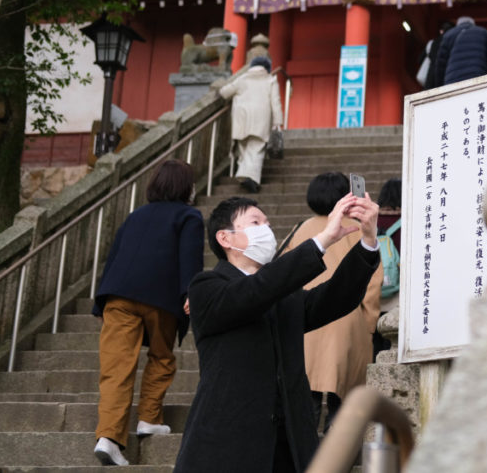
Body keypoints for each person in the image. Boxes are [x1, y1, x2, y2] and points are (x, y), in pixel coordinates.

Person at [174, 193, 380, 473]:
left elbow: (335, 298)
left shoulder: (283, 296)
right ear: (226, 238)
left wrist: (368, 242)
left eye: (268, 223)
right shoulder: (206, 287)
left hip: (288, 447)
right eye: (255, 222)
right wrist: (323, 240)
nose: (266, 229)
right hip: (228, 445)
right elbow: (254, 292)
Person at [92, 159, 205, 467]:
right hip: (161, 299)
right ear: (186, 187)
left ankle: (108, 437)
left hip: (118, 295)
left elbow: (114, 256)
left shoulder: (135, 216)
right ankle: (149, 418)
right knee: (161, 357)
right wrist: (189, 294)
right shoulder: (189, 216)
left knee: (116, 367)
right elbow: (190, 258)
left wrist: (99, 303)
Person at [281, 173, 383, 433]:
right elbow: (372, 282)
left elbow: (282, 274)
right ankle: (337, 454)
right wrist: (369, 324)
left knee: (308, 393)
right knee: (343, 397)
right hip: (347, 318)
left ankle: (306, 454)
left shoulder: (301, 228)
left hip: (307, 321)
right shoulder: (358, 228)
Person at [219, 55, 283, 193]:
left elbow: (224, 93)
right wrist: (278, 122)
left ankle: (244, 176)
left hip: (241, 120)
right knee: (256, 150)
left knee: (243, 149)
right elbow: (275, 103)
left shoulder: (242, 79)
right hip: (261, 120)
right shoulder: (270, 80)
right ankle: (251, 178)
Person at [373, 177, 402, 358]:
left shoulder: (370, 220)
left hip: (372, 292)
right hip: (396, 293)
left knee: (374, 339)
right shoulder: (407, 222)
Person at [433, 16, 487, 86]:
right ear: (473, 23)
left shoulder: (448, 35)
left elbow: (440, 65)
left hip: (452, 80)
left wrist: (439, 86)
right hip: (478, 77)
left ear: (458, 24)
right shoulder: (485, 33)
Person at [419, 20, 454, 89]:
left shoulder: (432, 43)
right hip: (447, 77)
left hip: (431, 78)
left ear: (441, 31)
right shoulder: (453, 42)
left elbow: (420, 60)